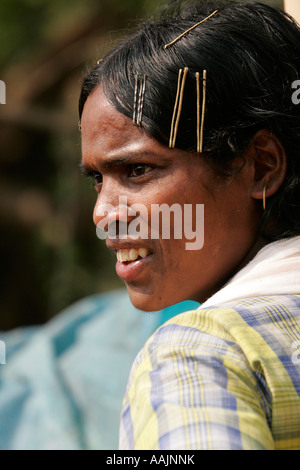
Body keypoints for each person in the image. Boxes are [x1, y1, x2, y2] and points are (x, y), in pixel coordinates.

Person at [79, 0, 300, 450]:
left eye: (137, 170)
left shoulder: (195, 356)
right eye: (98, 179)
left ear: (260, 166)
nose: (104, 213)